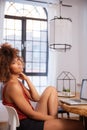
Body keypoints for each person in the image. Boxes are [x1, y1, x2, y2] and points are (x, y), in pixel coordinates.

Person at [0, 43, 84, 130]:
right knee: (79, 125)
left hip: (27, 120)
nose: (19, 63)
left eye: (18, 60)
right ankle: (54, 121)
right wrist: (53, 118)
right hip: (27, 124)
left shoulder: (15, 82)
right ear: (6, 67)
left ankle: (54, 121)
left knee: (51, 89)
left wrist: (27, 80)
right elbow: (31, 114)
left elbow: (36, 98)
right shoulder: (13, 86)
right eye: (14, 62)